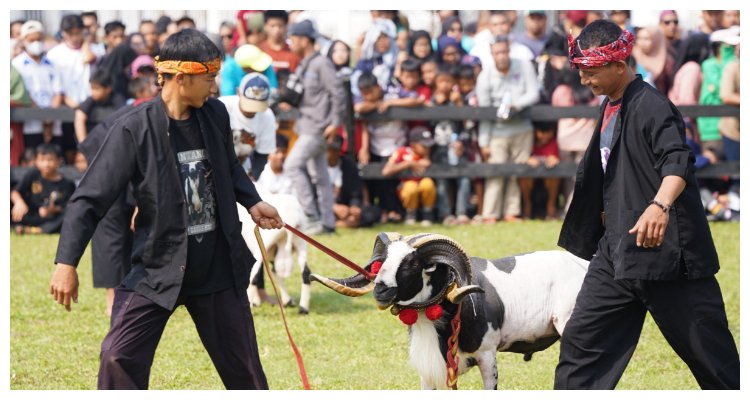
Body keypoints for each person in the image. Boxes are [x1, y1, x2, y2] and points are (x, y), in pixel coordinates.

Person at [48, 29, 283, 390]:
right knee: (116, 356)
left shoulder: (215, 114)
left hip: (216, 266)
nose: (214, 87)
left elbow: (229, 166)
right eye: (209, 78)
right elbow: (89, 199)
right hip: (158, 267)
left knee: (247, 373)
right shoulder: (132, 128)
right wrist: (66, 264)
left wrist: (252, 201)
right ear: (181, 77)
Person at [555, 19, 740, 390]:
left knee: (713, 357)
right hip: (617, 250)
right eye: (581, 72)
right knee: (582, 342)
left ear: (619, 67)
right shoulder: (609, 105)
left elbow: (678, 160)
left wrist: (659, 205)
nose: (584, 81)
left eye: (591, 72)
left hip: (666, 254)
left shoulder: (653, 105)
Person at [282, 20, 345, 235]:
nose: (291, 43)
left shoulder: (321, 64)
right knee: (320, 176)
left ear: (304, 39)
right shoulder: (304, 63)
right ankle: (327, 222)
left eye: (293, 39)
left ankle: (310, 216)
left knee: (291, 165)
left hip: (318, 127)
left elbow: (338, 93)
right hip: (305, 124)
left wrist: (335, 123)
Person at [476, 34, 540, 224]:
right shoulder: (485, 76)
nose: (502, 56)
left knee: (516, 173)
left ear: (509, 51)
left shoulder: (524, 65)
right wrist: (484, 142)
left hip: (522, 127)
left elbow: (533, 94)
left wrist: (516, 105)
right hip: (497, 130)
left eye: (504, 51)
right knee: (495, 170)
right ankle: (490, 213)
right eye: (498, 53)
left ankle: (512, 212)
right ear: (492, 54)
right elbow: (484, 112)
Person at [46, 14, 102, 163]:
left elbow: (93, 59)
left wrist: (86, 43)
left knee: (92, 151)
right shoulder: (54, 54)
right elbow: (54, 84)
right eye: (71, 33)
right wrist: (67, 100)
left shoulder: (94, 49)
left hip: (90, 106)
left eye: (78, 32)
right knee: (69, 151)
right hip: (67, 106)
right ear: (63, 33)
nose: (75, 37)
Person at [11, 20, 64, 151]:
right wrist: (42, 116)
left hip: (53, 122)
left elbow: (58, 92)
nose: (36, 43)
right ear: (24, 40)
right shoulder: (17, 64)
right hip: (30, 122)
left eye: (39, 39)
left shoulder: (52, 63)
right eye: (32, 40)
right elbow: (21, 93)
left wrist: (50, 118)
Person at [219, 72, 277, 180]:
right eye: (249, 104)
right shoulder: (223, 106)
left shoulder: (267, 116)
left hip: (241, 169)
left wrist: (252, 178)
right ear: (238, 93)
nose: (252, 110)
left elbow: (262, 155)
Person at [11, 143, 76, 234]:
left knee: (68, 217)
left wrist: (52, 210)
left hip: (51, 220)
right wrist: (19, 202)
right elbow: (15, 192)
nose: (46, 164)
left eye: (50, 160)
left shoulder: (68, 184)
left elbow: (68, 207)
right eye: (42, 160)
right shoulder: (33, 174)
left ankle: (36, 230)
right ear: (36, 161)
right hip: (30, 214)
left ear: (58, 161)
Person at [382, 126, 436, 226]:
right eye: (424, 146)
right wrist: (409, 163)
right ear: (413, 145)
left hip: (423, 188)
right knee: (410, 187)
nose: (428, 149)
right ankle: (411, 214)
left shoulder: (430, 154)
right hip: (407, 187)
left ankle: (427, 214)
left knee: (427, 183)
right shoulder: (402, 152)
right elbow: (386, 171)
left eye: (429, 146)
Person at [518, 121, 561, 220]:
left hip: (547, 179)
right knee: (524, 176)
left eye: (548, 132)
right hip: (532, 179)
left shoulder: (553, 143)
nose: (545, 136)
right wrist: (529, 159)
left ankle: (551, 206)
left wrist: (553, 160)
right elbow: (524, 157)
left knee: (554, 175)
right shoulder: (529, 143)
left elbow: (555, 159)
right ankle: (527, 205)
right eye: (542, 132)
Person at [74, 68, 127, 144]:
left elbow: (124, 116)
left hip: (112, 142)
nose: (93, 92)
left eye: (97, 89)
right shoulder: (91, 99)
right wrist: (83, 145)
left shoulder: (118, 98)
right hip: (93, 141)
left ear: (108, 89)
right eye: (92, 88)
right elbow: (80, 114)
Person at [326, 135, 365, 228]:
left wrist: (354, 206)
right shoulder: (316, 167)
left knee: (371, 212)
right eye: (330, 150)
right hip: (323, 208)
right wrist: (333, 207)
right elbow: (312, 196)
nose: (333, 154)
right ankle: (339, 224)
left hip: (345, 208)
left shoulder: (348, 165)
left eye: (336, 150)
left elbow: (355, 192)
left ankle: (340, 223)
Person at [258, 10, 300, 74]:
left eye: (280, 26)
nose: (276, 30)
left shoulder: (293, 53)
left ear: (286, 27)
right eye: (272, 26)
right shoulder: (259, 51)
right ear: (265, 27)